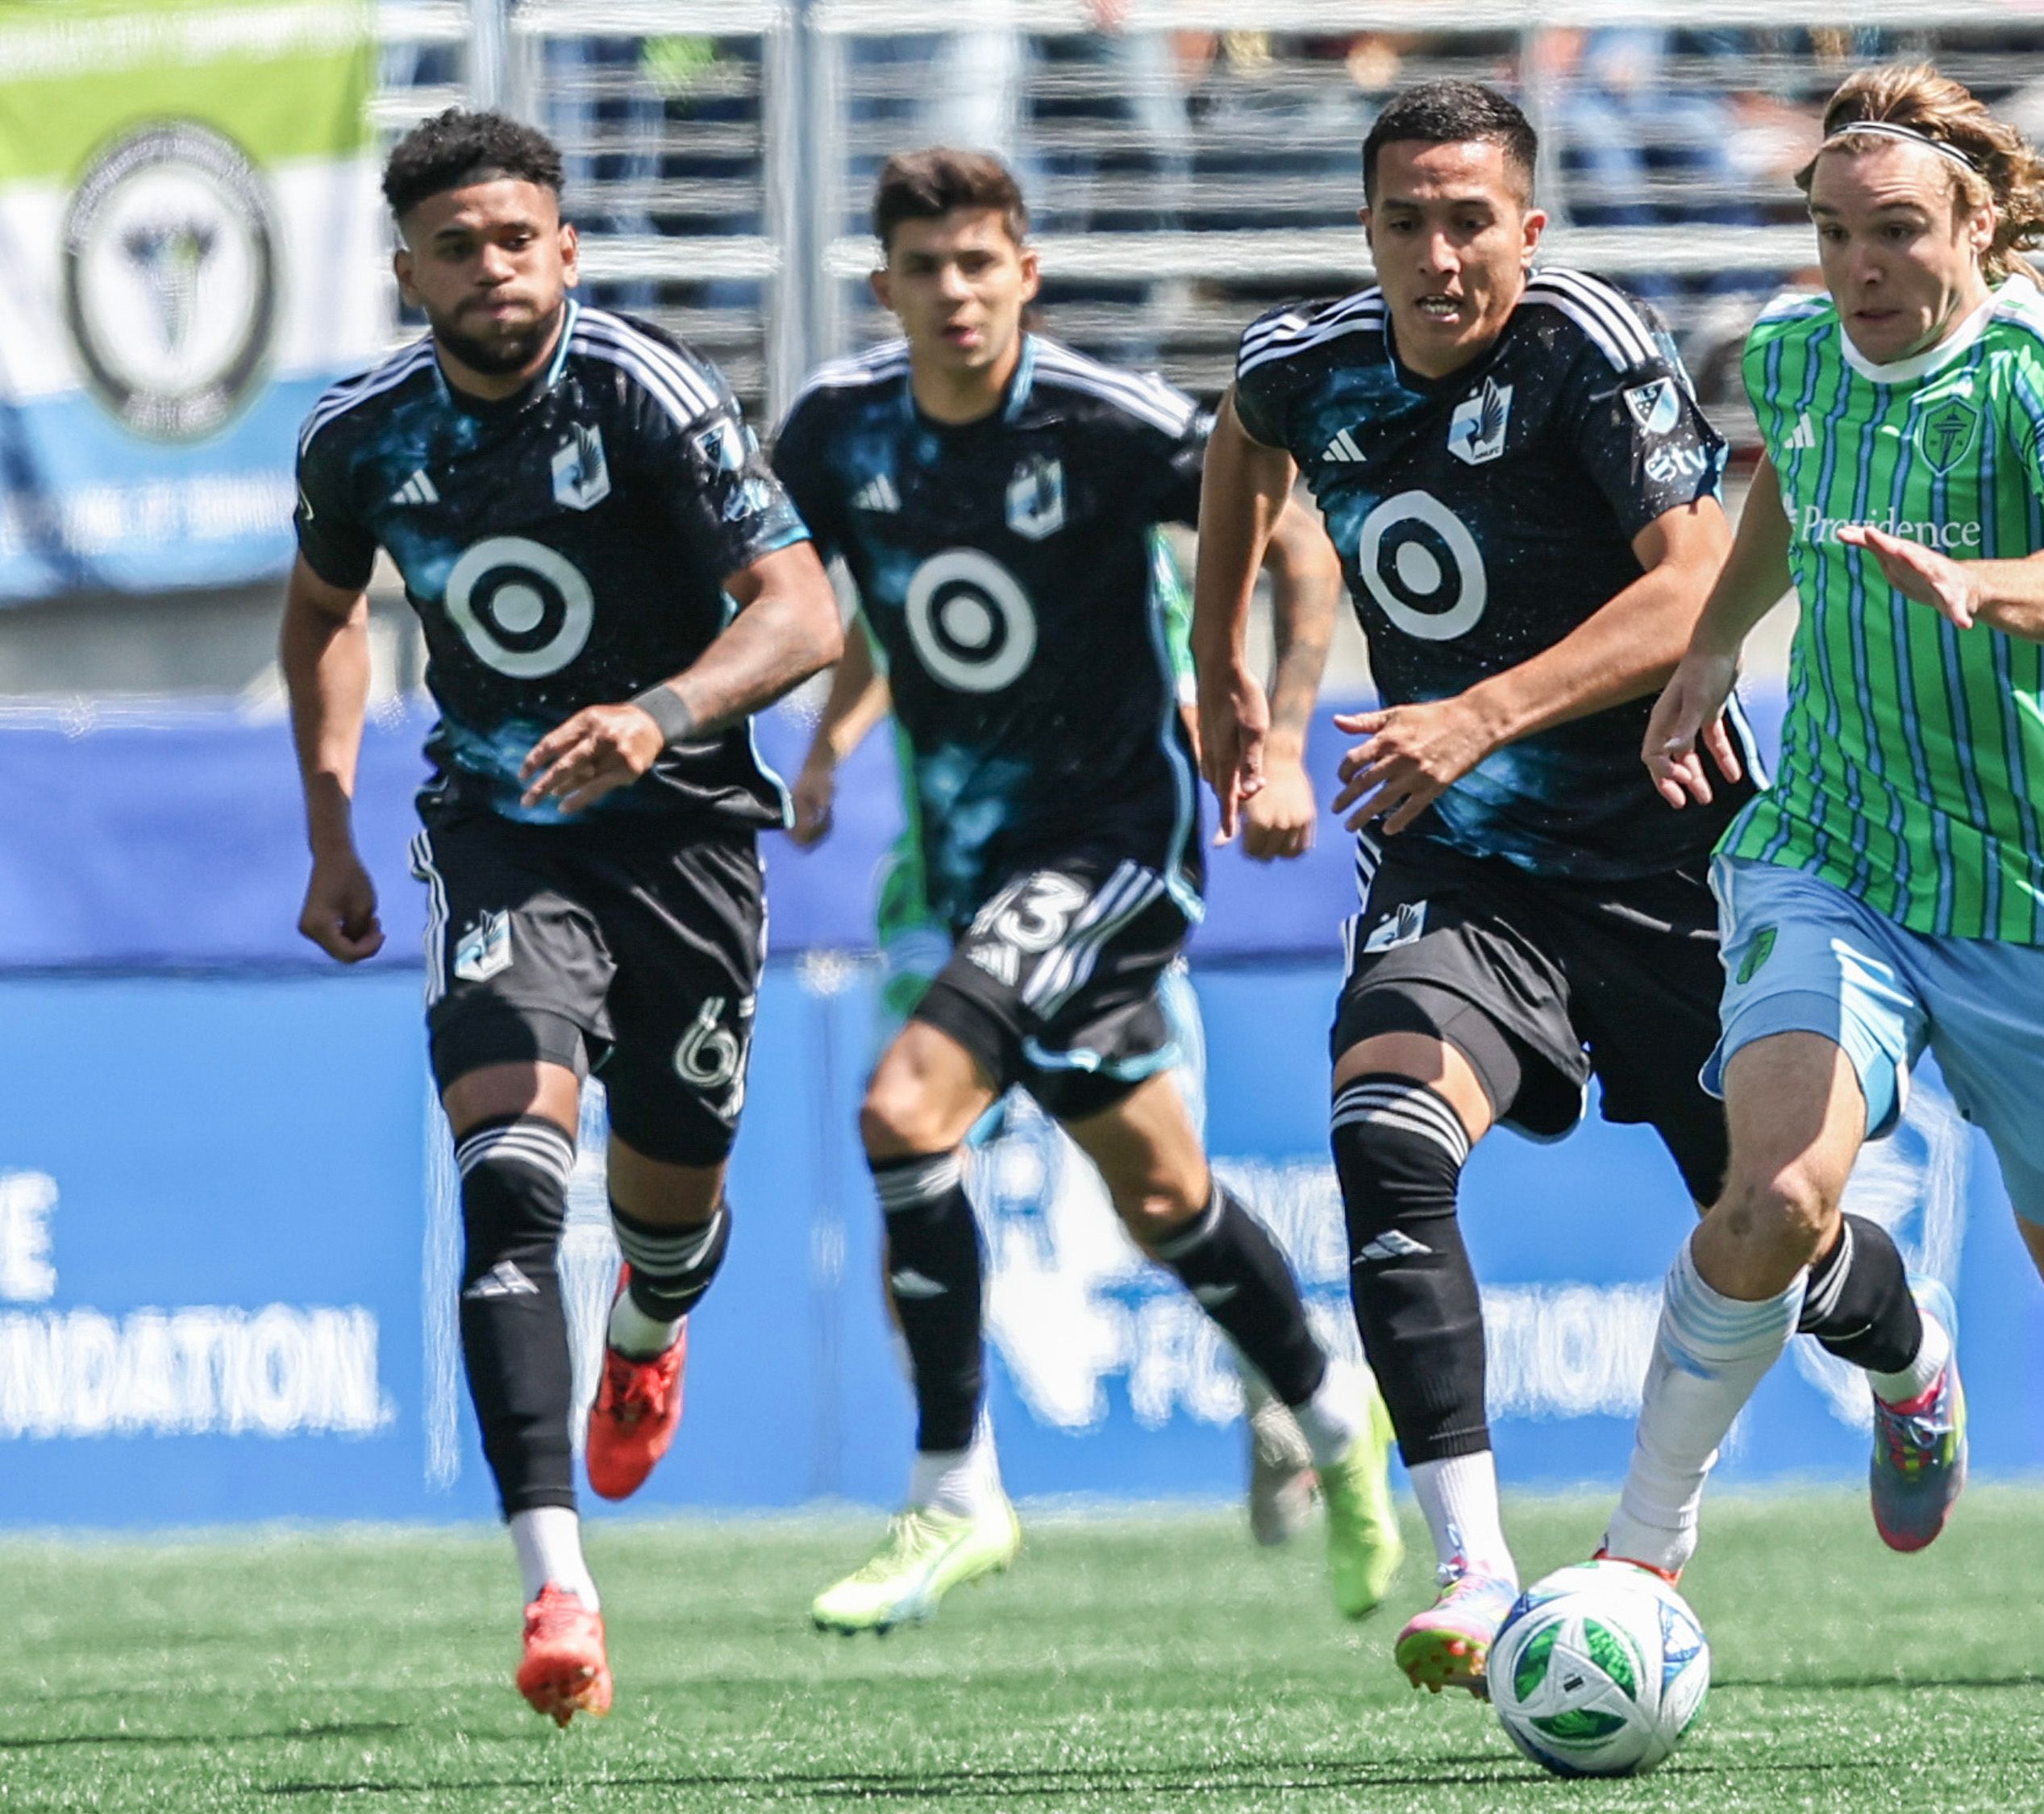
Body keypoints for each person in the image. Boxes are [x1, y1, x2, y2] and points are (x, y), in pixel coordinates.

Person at [1189, 78, 1954, 1699]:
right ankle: (1472, 1572)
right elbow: (1241, 437)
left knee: (1776, 1236)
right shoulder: (1309, 364)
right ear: (1370, 231)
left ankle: (1908, 1354)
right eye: (1407, 221)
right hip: (1462, 865)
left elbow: (1691, 590)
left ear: (1526, 229)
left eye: (1471, 220)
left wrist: (1469, 714)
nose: (1439, 253)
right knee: (1382, 1137)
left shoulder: (1582, 347)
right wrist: (1227, 684)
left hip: (1670, 857)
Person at [1594, 64, 2044, 1758]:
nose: (1858, 266)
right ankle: (1639, 1562)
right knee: (1769, 1198)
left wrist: (1986, 584)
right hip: (1826, 849)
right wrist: (1708, 645)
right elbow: (1782, 490)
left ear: (1976, 223)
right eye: (1830, 232)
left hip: (2028, 902)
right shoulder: (1791, 354)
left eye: (1894, 230)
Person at [771, 148, 1399, 1636]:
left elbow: (1292, 526)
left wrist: (1280, 722)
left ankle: (953, 1491)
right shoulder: (838, 433)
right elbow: (876, 593)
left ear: (1027, 274)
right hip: (966, 866)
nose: (956, 293)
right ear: (886, 287)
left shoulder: (1103, 423)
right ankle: (1331, 1416)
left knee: (901, 1112)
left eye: (981, 263)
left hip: (1112, 847)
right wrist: (832, 735)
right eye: (925, 269)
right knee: (1165, 1190)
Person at [284, 110, 845, 1723]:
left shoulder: (647, 394)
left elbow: (800, 608)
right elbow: (323, 614)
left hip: (684, 839)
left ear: (565, 250)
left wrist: (660, 715)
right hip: (499, 841)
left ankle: (651, 1324)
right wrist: (328, 830)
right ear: (409, 272)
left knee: (666, 1206)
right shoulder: (360, 438)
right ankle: (558, 1590)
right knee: (509, 1196)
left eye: (516, 239)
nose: (491, 269)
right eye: (455, 247)